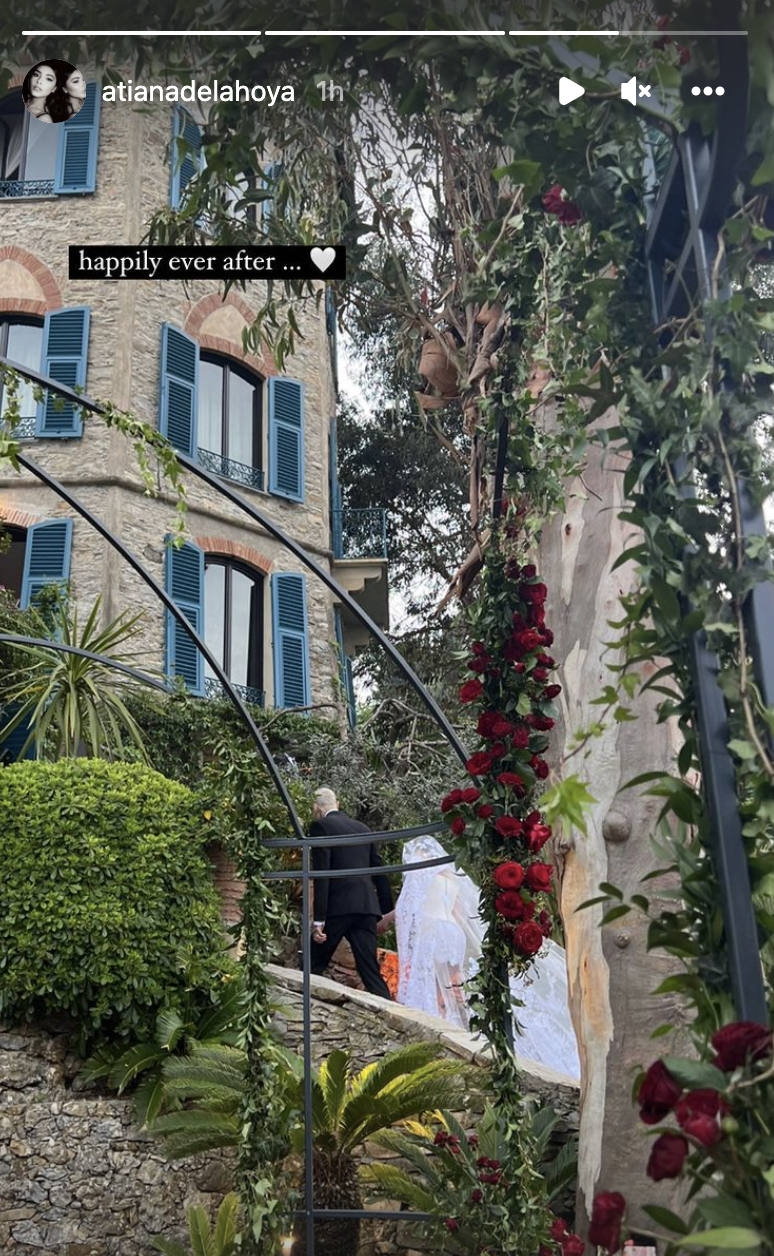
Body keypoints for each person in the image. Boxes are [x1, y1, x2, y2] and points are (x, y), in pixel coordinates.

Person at [395, 834, 580, 1077]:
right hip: (453, 931)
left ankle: (442, 1022)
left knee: (433, 982)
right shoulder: (451, 878)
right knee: (454, 982)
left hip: (434, 931)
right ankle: (460, 1019)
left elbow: (407, 911)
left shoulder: (420, 875)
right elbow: (460, 912)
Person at [308, 787, 394, 1000]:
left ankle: (301, 1014)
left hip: (338, 907)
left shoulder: (320, 827)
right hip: (366, 907)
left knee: (312, 963)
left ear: (317, 808)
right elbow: (378, 870)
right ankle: (388, 1010)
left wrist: (319, 920)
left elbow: (322, 875)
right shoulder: (362, 828)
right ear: (337, 804)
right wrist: (386, 910)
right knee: (370, 970)